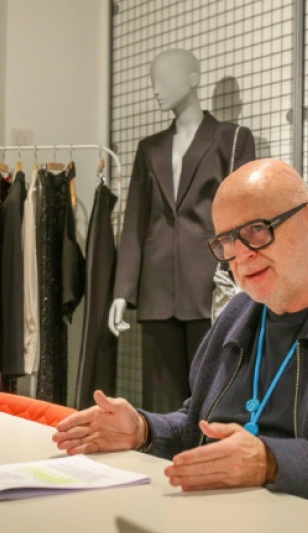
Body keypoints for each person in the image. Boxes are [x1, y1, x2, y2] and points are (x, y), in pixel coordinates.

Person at [54, 159, 308, 532]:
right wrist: (144, 430)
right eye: (226, 241)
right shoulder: (238, 316)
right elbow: (200, 427)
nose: (240, 256)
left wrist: (273, 462)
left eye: (256, 230)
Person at [108, 49, 255, 412]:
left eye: (164, 79)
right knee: (160, 404)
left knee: (215, 398)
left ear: (193, 79)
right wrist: (122, 291)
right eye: (152, 81)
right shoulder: (149, 149)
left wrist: (238, 273)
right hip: (157, 293)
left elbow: (244, 213)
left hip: (211, 289)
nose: (156, 89)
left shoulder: (232, 139)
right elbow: (134, 223)